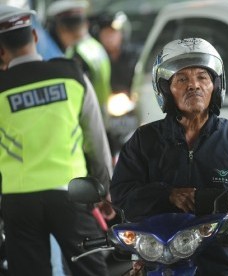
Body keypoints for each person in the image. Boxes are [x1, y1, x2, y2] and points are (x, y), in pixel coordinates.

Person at [110, 37, 228, 275]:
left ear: (216, 86)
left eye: (202, 77)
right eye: (182, 79)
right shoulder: (144, 140)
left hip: (226, 265)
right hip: (162, 264)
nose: (194, 85)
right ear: (165, 89)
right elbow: (121, 195)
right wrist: (168, 195)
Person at [0, 4, 114, 276]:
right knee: (92, 269)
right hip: (72, 194)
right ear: (35, 38)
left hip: (19, 200)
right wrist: (105, 191)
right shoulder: (71, 74)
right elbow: (96, 140)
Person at [47, 0, 111, 113]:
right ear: (85, 24)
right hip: (101, 115)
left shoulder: (76, 56)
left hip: (86, 119)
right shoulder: (96, 46)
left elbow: (75, 96)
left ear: (61, 29)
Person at [95, 11, 140, 93]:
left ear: (122, 34)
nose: (109, 38)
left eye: (113, 33)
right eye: (105, 34)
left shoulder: (135, 56)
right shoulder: (96, 59)